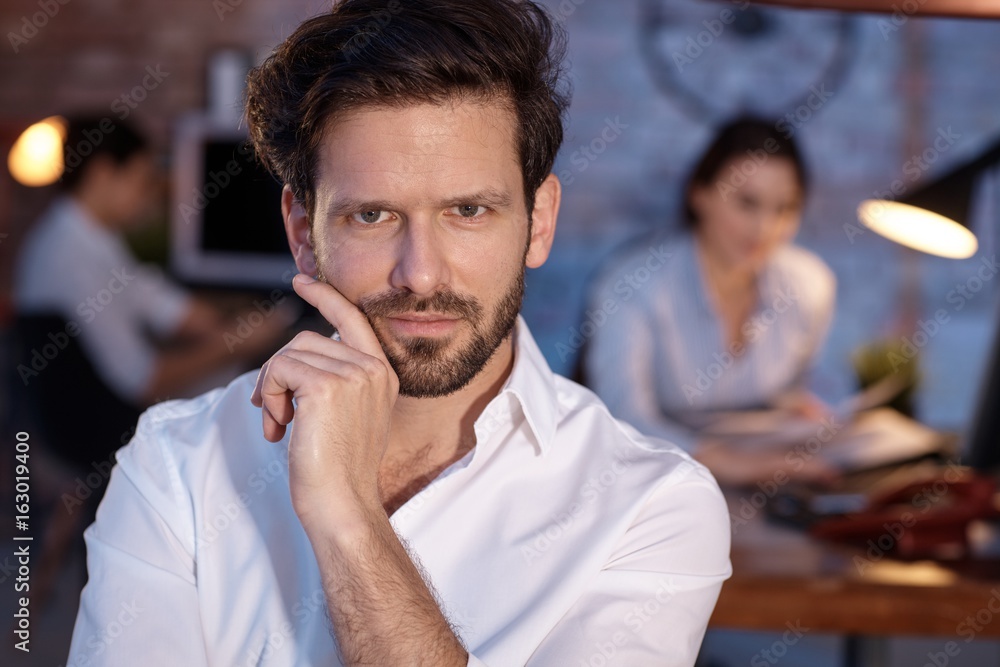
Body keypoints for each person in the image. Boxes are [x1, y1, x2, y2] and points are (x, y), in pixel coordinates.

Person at [67, 1, 731, 665]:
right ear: (303, 232)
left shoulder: (652, 505)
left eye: (468, 210)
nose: (421, 273)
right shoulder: (175, 466)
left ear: (539, 220)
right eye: (373, 215)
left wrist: (348, 516)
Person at [584, 117, 837, 486]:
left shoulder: (810, 284)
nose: (765, 229)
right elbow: (623, 420)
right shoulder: (632, 283)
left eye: (784, 209)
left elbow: (787, 396)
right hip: (655, 485)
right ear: (699, 194)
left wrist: (795, 411)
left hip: (769, 483)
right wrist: (734, 463)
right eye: (747, 203)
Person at [14, 116, 291, 411]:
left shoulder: (91, 239)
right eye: (143, 181)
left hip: (93, 417)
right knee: (247, 393)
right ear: (103, 173)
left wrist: (231, 324)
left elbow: (160, 304)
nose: (149, 197)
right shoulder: (69, 257)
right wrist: (234, 343)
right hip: (103, 428)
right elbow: (144, 381)